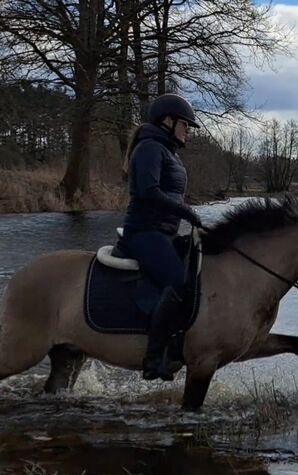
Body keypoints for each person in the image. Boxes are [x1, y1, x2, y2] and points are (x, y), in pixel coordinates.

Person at [121, 93, 203, 381]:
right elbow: (148, 192)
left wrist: (188, 212)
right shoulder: (149, 148)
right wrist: (186, 212)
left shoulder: (167, 151)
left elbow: (172, 195)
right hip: (144, 232)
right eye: (185, 124)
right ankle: (154, 359)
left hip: (164, 232)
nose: (188, 130)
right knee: (178, 283)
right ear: (167, 121)